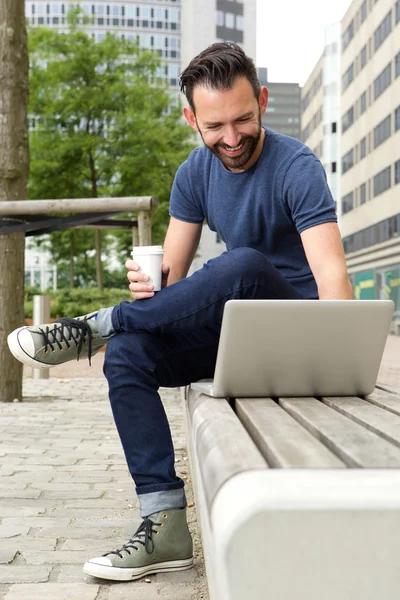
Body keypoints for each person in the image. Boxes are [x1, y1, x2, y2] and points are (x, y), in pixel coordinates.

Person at [7, 42, 353, 582]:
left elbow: (333, 281)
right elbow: (171, 281)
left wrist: (337, 362)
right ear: (192, 118)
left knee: (242, 264)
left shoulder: (298, 167)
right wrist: (148, 288)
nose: (232, 139)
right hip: (236, 339)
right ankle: (164, 522)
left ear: (261, 101)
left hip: (298, 336)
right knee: (127, 353)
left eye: (245, 119)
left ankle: (97, 324)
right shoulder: (193, 174)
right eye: (216, 126)